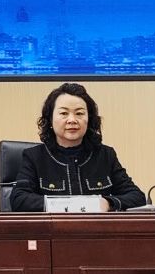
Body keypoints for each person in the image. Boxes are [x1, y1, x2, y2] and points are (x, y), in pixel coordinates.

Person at [9, 82, 144, 212]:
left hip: (95, 227)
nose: (72, 120)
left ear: (89, 119)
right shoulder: (34, 157)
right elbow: (19, 199)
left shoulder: (105, 155)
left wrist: (108, 203)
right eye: (64, 113)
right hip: (53, 227)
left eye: (79, 113)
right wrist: (61, 205)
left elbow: (137, 197)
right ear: (50, 119)